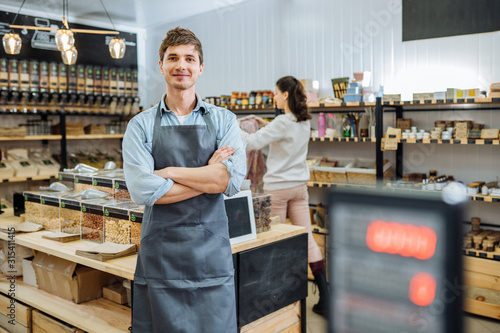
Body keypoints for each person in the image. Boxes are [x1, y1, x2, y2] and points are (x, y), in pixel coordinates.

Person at [122, 27, 246, 332]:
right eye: (173, 57)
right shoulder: (139, 126)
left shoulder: (224, 120)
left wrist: (168, 173)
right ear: (161, 66)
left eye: (190, 58)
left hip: (211, 255)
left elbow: (229, 182)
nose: (182, 65)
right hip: (161, 258)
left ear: (200, 68)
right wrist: (207, 174)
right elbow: (141, 189)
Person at [239, 76, 329, 317]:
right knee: (307, 238)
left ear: (286, 95)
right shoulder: (302, 121)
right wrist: (265, 122)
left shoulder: (281, 122)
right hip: (299, 188)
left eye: (276, 93)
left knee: (273, 242)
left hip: (277, 190)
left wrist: (233, 128)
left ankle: (273, 297)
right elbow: (283, 131)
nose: (274, 97)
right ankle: (325, 296)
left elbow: (252, 143)